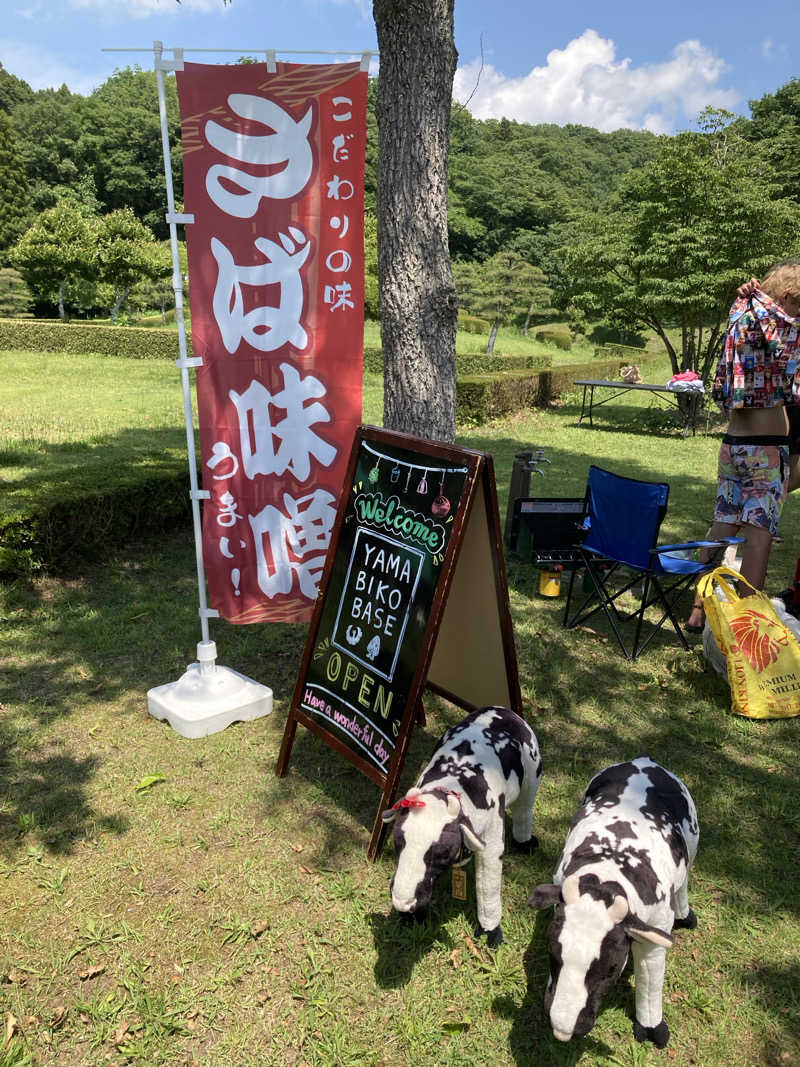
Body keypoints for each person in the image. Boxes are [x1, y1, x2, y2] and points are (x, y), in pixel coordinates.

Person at [685, 262, 800, 633]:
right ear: (785, 298)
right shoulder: (782, 326)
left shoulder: (741, 312)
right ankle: (748, 626)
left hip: (732, 442)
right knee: (759, 536)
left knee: (722, 523)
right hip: (766, 448)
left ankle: (697, 609)